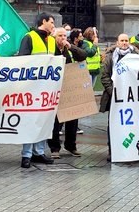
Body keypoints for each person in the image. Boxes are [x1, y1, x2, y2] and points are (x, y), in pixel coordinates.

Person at [17, 13, 56, 168]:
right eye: (51, 22)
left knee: (44, 120)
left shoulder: (52, 40)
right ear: (43, 21)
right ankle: (26, 154)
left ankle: (39, 152)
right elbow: (22, 60)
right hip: (31, 87)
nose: (53, 25)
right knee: (30, 120)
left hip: (47, 88)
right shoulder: (29, 37)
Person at [48, 29, 88, 159]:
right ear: (54, 37)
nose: (62, 38)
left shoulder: (69, 49)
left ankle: (71, 145)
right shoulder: (50, 48)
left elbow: (83, 56)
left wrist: (70, 47)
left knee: (72, 117)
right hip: (54, 88)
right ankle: (54, 147)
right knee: (56, 120)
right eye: (60, 36)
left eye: (64, 36)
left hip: (69, 88)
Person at [100, 33, 139, 154]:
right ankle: (112, 150)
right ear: (117, 43)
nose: (124, 43)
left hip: (132, 97)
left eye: (126, 40)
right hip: (114, 97)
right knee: (113, 124)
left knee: (132, 124)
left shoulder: (136, 56)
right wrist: (113, 92)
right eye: (122, 40)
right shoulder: (110, 57)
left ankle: (129, 149)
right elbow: (105, 77)